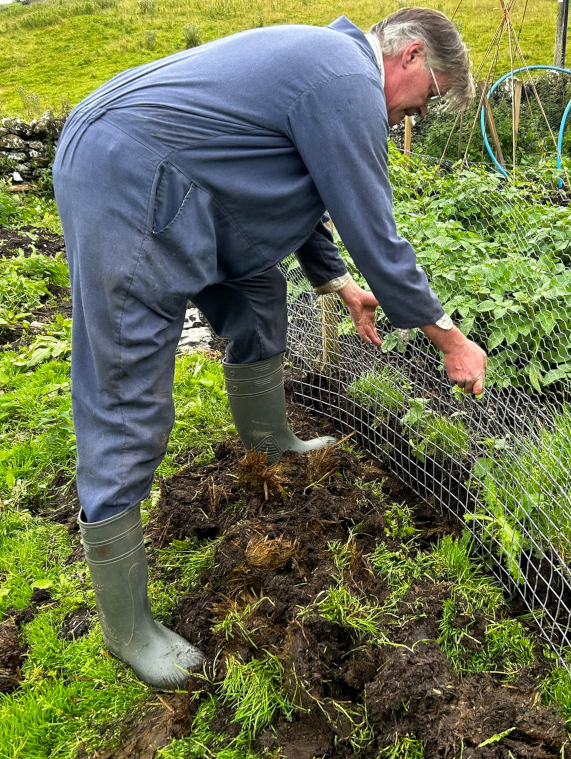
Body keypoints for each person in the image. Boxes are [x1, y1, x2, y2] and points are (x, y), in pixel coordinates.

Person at [52, 8, 488, 689]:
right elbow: (374, 225)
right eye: (427, 96)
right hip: (127, 176)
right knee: (126, 393)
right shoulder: (345, 78)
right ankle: (127, 627)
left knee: (259, 296)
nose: (415, 116)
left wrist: (335, 278)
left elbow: (296, 179)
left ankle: (268, 444)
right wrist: (449, 338)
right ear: (406, 56)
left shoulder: (327, 66)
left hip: (178, 174)